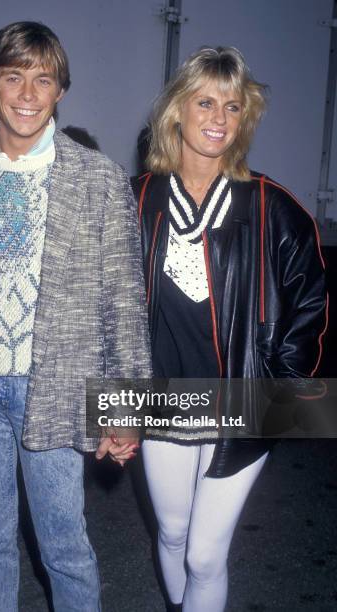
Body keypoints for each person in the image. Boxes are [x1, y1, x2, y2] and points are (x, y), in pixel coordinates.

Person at [0, 21, 151, 612]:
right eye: (14, 77)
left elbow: (124, 300)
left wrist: (128, 408)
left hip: (54, 387)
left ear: (60, 91)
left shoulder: (97, 180)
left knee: (64, 546)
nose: (27, 93)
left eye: (42, 79)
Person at [132, 47, 327, 612]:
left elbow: (311, 303)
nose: (219, 117)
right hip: (159, 397)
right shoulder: (138, 198)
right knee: (170, 534)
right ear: (177, 112)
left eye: (234, 106)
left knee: (204, 554)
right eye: (205, 102)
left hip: (246, 400)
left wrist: (280, 393)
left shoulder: (274, 206)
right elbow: (111, 307)